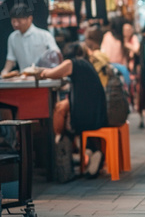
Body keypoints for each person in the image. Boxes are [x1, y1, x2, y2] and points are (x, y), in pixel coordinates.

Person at [40, 42, 108, 178]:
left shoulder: (72, 63)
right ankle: (90, 152)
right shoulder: (86, 63)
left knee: (60, 109)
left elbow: (51, 74)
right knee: (62, 108)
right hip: (97, 112)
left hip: (86, 116)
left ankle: (58, 143)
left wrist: (38, 71)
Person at [1, 4, 60, 74]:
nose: (16, 24)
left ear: (30, 19)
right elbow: (10, 59)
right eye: (13, 21)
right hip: (23, 78)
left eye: (19, 21)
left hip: (43, 76)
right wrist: (4, 72)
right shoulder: (12, 37)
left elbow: (56, 54)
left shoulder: (44, 35)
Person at [101, 17, 139, 86]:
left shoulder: (108, 36)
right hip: (120, 70)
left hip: (114, 70)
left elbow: (104, 53)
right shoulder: (116, 38)